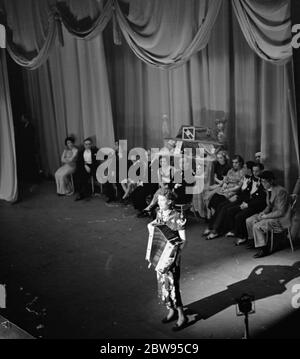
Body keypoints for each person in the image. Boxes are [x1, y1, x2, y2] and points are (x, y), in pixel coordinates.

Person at [147, 188, 188, 331]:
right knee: (163, 285)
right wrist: (151, 225)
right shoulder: (159, 212)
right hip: (160, 255)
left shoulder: (178, 217)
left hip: (172, 258)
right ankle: (171, 310)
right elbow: (157, 224)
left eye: (162, 200)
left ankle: (182, 315)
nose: (159, 202)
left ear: (170, 202)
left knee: (173, 287)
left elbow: (183, 240)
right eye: (158, 200)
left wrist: (174, 257)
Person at [246, 171, 290, 258]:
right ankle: (253, 241)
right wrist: (263, 212)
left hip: (281, 219)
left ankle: (264, 249)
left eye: (264, 181)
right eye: (261, 181)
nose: (262, 183)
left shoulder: (281, 191)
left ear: (271, 181)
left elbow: (281, 212)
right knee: (249, 220)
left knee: (257, 226)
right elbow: (269, 206)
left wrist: (265, 216)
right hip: (272, 214)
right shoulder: (268, 190)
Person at [205, 155, 245, 239]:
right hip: (225, 191)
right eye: (233, 163)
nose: (234, 164)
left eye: (236, 163)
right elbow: (225, 181)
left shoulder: (243, 172)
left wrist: (228, 190)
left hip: (233, 192)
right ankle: (212, 226)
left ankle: (214, 228)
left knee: (220, 205)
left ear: (240, 163)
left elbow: (239, 186)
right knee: (214, 200)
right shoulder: (230, 171)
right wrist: (224, 187)